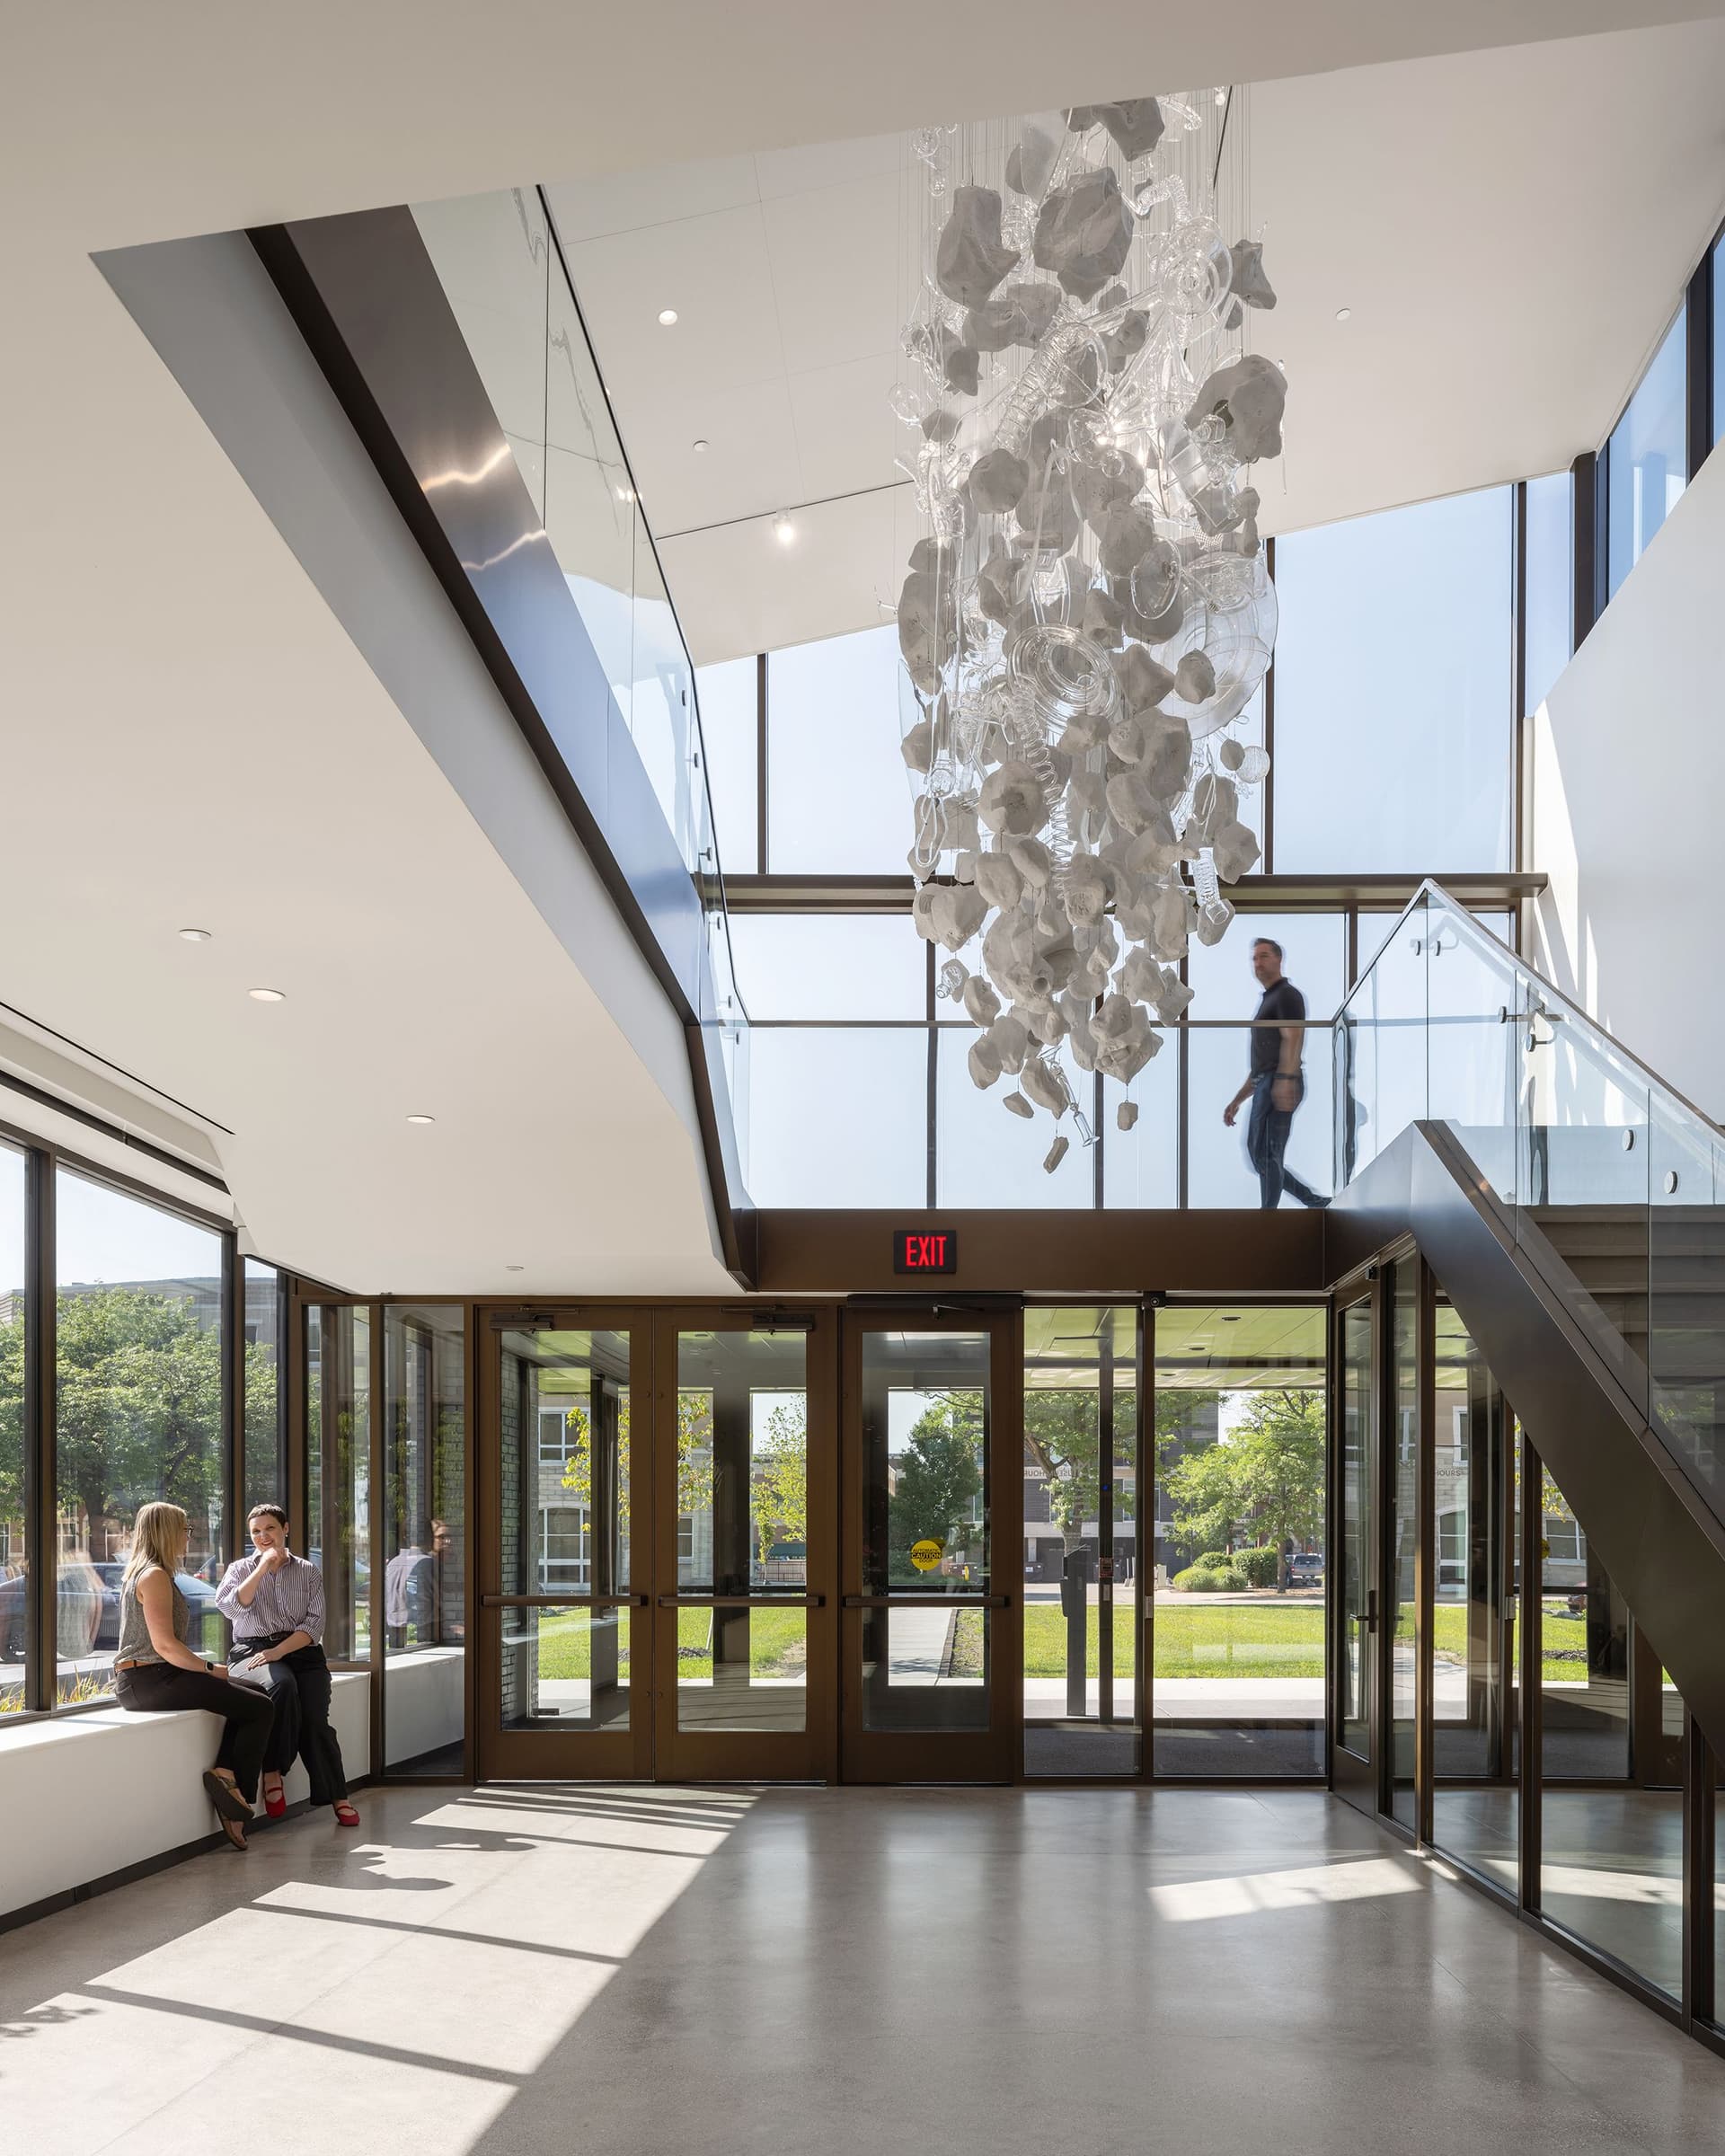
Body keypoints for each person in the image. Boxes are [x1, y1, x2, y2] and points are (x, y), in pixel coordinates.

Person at [114, 1500, 275, 1851]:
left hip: (154, 1677)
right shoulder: (154, 1575)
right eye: (184, 1530)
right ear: (167, 1533)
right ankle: (238, 1800)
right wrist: (209, 1669)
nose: (188, 1538)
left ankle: (227, 1776)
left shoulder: (152, 1573)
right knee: (259, 1708)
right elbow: (165, 1646)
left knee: (256, 1695)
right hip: (148, 1681)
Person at [216, 1504, 359, 1828]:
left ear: (286, 1529)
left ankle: (338, 1796)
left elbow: (314, 1624)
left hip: (300, 1651)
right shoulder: (240, 1569)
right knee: (281, 1685)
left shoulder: (308, 1570)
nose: (263, 1536)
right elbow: (231, 1608)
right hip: (252, 1651)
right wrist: (262, 1569)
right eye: (256, 1531)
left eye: (270, 1528)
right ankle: (272, 1770)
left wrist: (279, 1651)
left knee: (315, 1722)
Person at [1223, 935, 1330, 1211]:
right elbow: (1260, 1063)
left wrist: (1286, 1079)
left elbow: (1293, 1037)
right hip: (1265, 1082)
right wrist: (1238, 1099)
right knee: (1259, 1154)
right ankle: (1313, 1201)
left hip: (1279, 1081)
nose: (1258, 963)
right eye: (1255, 958)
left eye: (1264, 956)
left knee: (1268, 1151)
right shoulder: (1268, 1000)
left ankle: (1269, 1214)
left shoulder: (1287, 995)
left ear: (1279, 960)